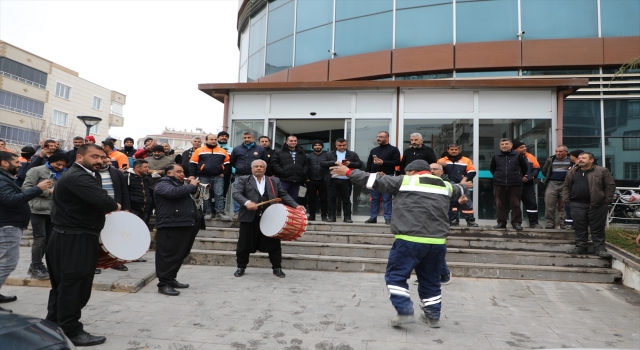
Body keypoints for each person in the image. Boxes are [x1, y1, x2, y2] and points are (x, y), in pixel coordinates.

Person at [330, 159, 466, 328]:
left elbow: (374, 180)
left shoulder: (405, 181)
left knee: (396, 276)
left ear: (412, 171)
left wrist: (349, 172)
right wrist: (464, 185)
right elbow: (460, 190)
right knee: (431, 280)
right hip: (437, 242)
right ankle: (433, 316)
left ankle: (404, 311)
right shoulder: (445, 186)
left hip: (409, 240)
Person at [46, 144, 120, 346]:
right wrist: (116, 206)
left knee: (63, 286)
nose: (99, 160)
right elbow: (102, 200)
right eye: (94, 156)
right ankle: (70, 330)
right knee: (75, 285)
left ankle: (52, 325)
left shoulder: (81, 174)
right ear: (79, 157)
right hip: (75, 238)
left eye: (102, 157)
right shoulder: (78, 176)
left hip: (67, 235)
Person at [232, 159, 304, 278]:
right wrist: (247, 202)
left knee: (274, 244)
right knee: (243, 244)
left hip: (269, 218)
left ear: (265, 169)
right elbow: (236, 194)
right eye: (256, 166)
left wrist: (296, 205)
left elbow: (283, 194)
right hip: (249, 218)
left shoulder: (273, 180)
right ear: (252, 169)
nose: (258, 168)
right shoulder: (244, 179)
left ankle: (277, 268)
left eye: (261, 166)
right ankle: (241, 267)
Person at [0, 151, 52, 313]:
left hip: (11, 224)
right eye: (16, 162)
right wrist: (37, 189)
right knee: (7, 263)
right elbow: (11, 200)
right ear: (4, 163)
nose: (20, 164)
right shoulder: (2, 180)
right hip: (8, 226)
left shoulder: (6, 178)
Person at [154, 164, 202, 296]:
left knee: (180, 254)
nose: (182, 174)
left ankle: (171, 278)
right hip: (170, 224)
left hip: (184, 224)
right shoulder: (163, 183)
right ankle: (163, 284)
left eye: (183, 171)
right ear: (169, 173)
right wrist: (191, 185)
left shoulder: (181, 185)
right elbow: (173, 193)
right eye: (178, 171)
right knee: (168, 255)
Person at [22, 152, 68, 280]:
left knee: (49, 240)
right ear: (51, 161)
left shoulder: (65, 173)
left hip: (54, 211)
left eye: (63, 165)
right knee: (40, 239)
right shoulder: (36, 170)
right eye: (58, 164)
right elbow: (26, 188)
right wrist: (48, 192)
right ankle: (36, 266)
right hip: (38, 210)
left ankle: (35, 265)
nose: (60, 167)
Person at [562, 152, 616, 258]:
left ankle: (599, 249)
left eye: (583, 158)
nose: (580, 160)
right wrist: (567, 200)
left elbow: (610, 186)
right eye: (579, 158)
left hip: (597, 205)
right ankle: (580, 247)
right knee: (579, 227)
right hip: (576, 204)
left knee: (597, 228)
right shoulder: (572, 172)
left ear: (591, 160)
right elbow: (566, 187)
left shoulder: (602, 171)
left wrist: (606, 201)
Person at [97, 153, 131, 272]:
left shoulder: (116, 172)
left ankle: (115, 261)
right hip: (97, 209)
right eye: (101, 160)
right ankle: (95, 262)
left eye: (105, 160)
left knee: (115, 235)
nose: (103, 162)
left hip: (115, 208)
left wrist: (126, 208)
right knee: (97, 236)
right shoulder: (90, 173)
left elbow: (124, 191)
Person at [189, 134, 231, 220]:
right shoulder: (199, 150)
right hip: (204, 176)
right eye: (211, 139)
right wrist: (192, 175)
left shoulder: (222, 151)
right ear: (206, 140)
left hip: (218, 176)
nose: (214, 141)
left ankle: (220, 212)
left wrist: (224, 173)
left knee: (219, 194)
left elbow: (227, 163)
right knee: (206, 195)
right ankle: (207, 212)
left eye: (215, 139)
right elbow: (192, 163)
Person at [321, 138, 362, 223]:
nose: (342, 147)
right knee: (332, 199)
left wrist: (350, 163)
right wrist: (335, 162)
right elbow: (322, 163)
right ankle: (332, 217)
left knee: (346, 199)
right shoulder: (329, 154)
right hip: (332, 180)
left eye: (344, 145)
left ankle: (347, 217)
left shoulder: (352, 154)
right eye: (340, 145)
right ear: (336, 145)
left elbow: (359, 164)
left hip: (346, 180)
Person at [490, 138, 528, 230]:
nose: (504, 146)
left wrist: (518, 177)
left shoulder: (518, 156)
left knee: (515, 204)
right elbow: (492, 169)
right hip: (499, 183)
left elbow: (524, 168)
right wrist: (498, 176)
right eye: (502, 144)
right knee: (500, 204)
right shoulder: (496, 156)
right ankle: (501, 222)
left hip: (515, 183)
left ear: (511, 145)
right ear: (500, 146)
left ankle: (516, 223)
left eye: (506, 144)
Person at [438, 143, 478, 227]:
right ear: (448, 150)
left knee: (466, 202)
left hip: (463, 185)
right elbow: (438, 173)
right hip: (449, 185)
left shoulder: (466, 160)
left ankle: (470, 221)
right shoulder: (441, 161)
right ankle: (453, 220)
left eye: (456, 149)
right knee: (452, 203)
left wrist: (464, 180)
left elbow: (472, 171)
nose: (454, 151)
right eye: (452, 150)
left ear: (459, 150)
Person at [365, 131, 400, 224]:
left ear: (387, 138)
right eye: (377, 137)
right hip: (374, 176)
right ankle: (373, 217)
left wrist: (383, 162)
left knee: (387, 198)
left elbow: (397, 162)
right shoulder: (374, 150)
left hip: (387, 176)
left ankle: (388, 217)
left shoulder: (394, 149)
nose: (378, 138)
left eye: (381, 137)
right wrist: (368, 175)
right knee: (374, 198)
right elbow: (369, 163)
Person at [230, 132, 268, 218]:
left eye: (249, 137)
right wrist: (239, 167)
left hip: (255, 176)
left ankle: (256, 210)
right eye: (245, 137)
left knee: (256, 193)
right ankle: (237, 212)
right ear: (242, 139)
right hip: (240, 175)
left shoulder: (260, 149)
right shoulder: (237, 149)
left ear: (253, 138)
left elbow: (265, 161)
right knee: (237, 193)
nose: (247, 139)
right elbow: (232, 161)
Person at [513, 140, 542, 229]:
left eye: (525, 146)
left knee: (532, 203)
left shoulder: (530, 156)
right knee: (514, 204)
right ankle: (516, 223)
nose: (524, 148)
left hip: (527, 185)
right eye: (521, 147)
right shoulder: (511, 157)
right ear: (515, 149)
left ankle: (534, 223)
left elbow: (536, 168)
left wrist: (532, 177)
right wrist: (519, 177)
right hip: (514, 185)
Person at [271, 135, 308, 203]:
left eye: (295, 141)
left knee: (294, 200)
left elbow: (306, 164)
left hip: (297, 180)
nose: (293, 142)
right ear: (287, 142)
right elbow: (274, 163)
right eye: (291, 141)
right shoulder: (279, 152)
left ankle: (291, 214)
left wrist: (302, 172)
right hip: (283, 180)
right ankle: (282, 213)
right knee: (282, 199)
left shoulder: (301, 153)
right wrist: (282, 172)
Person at [542, 145, 572, 229]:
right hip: (552, 183)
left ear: (566, 152)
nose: (558, 153)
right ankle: (550, 223)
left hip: (566, 184)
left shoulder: (571, 160)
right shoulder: (551, 159)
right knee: (549, 204)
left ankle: (564, 223)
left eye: (560, 151)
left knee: (565, 205)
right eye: (556, 151)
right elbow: (544, 171)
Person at [124, 159, 153, 227]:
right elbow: (124, 192)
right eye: (145, 167)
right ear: (137, 167)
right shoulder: (126, 177)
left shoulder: (145, 178)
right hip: (132, 208)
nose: (147, 169)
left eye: (147, 167)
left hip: (145, 208)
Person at [306, 140, 329, 221]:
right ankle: (312, 215)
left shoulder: (326, 156)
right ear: (313, 147)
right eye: (315, 145)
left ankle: (324, 216)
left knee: (324, 199)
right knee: (311, 199)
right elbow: (306, 167)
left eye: (319, 145)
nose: (317, 146)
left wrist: (327, 178)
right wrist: (307, 178)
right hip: (311, 180)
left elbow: (329, 168)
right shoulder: (308, 156)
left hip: (323, 180)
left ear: (322, 146)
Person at [563, 149, 583, 230]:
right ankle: (569, 223)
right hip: (570, 190)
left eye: (570, 156)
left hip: (578, 191)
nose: (569, 158)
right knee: (567, 207)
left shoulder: (581, 167)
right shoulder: (572, 166)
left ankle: (575, 224)